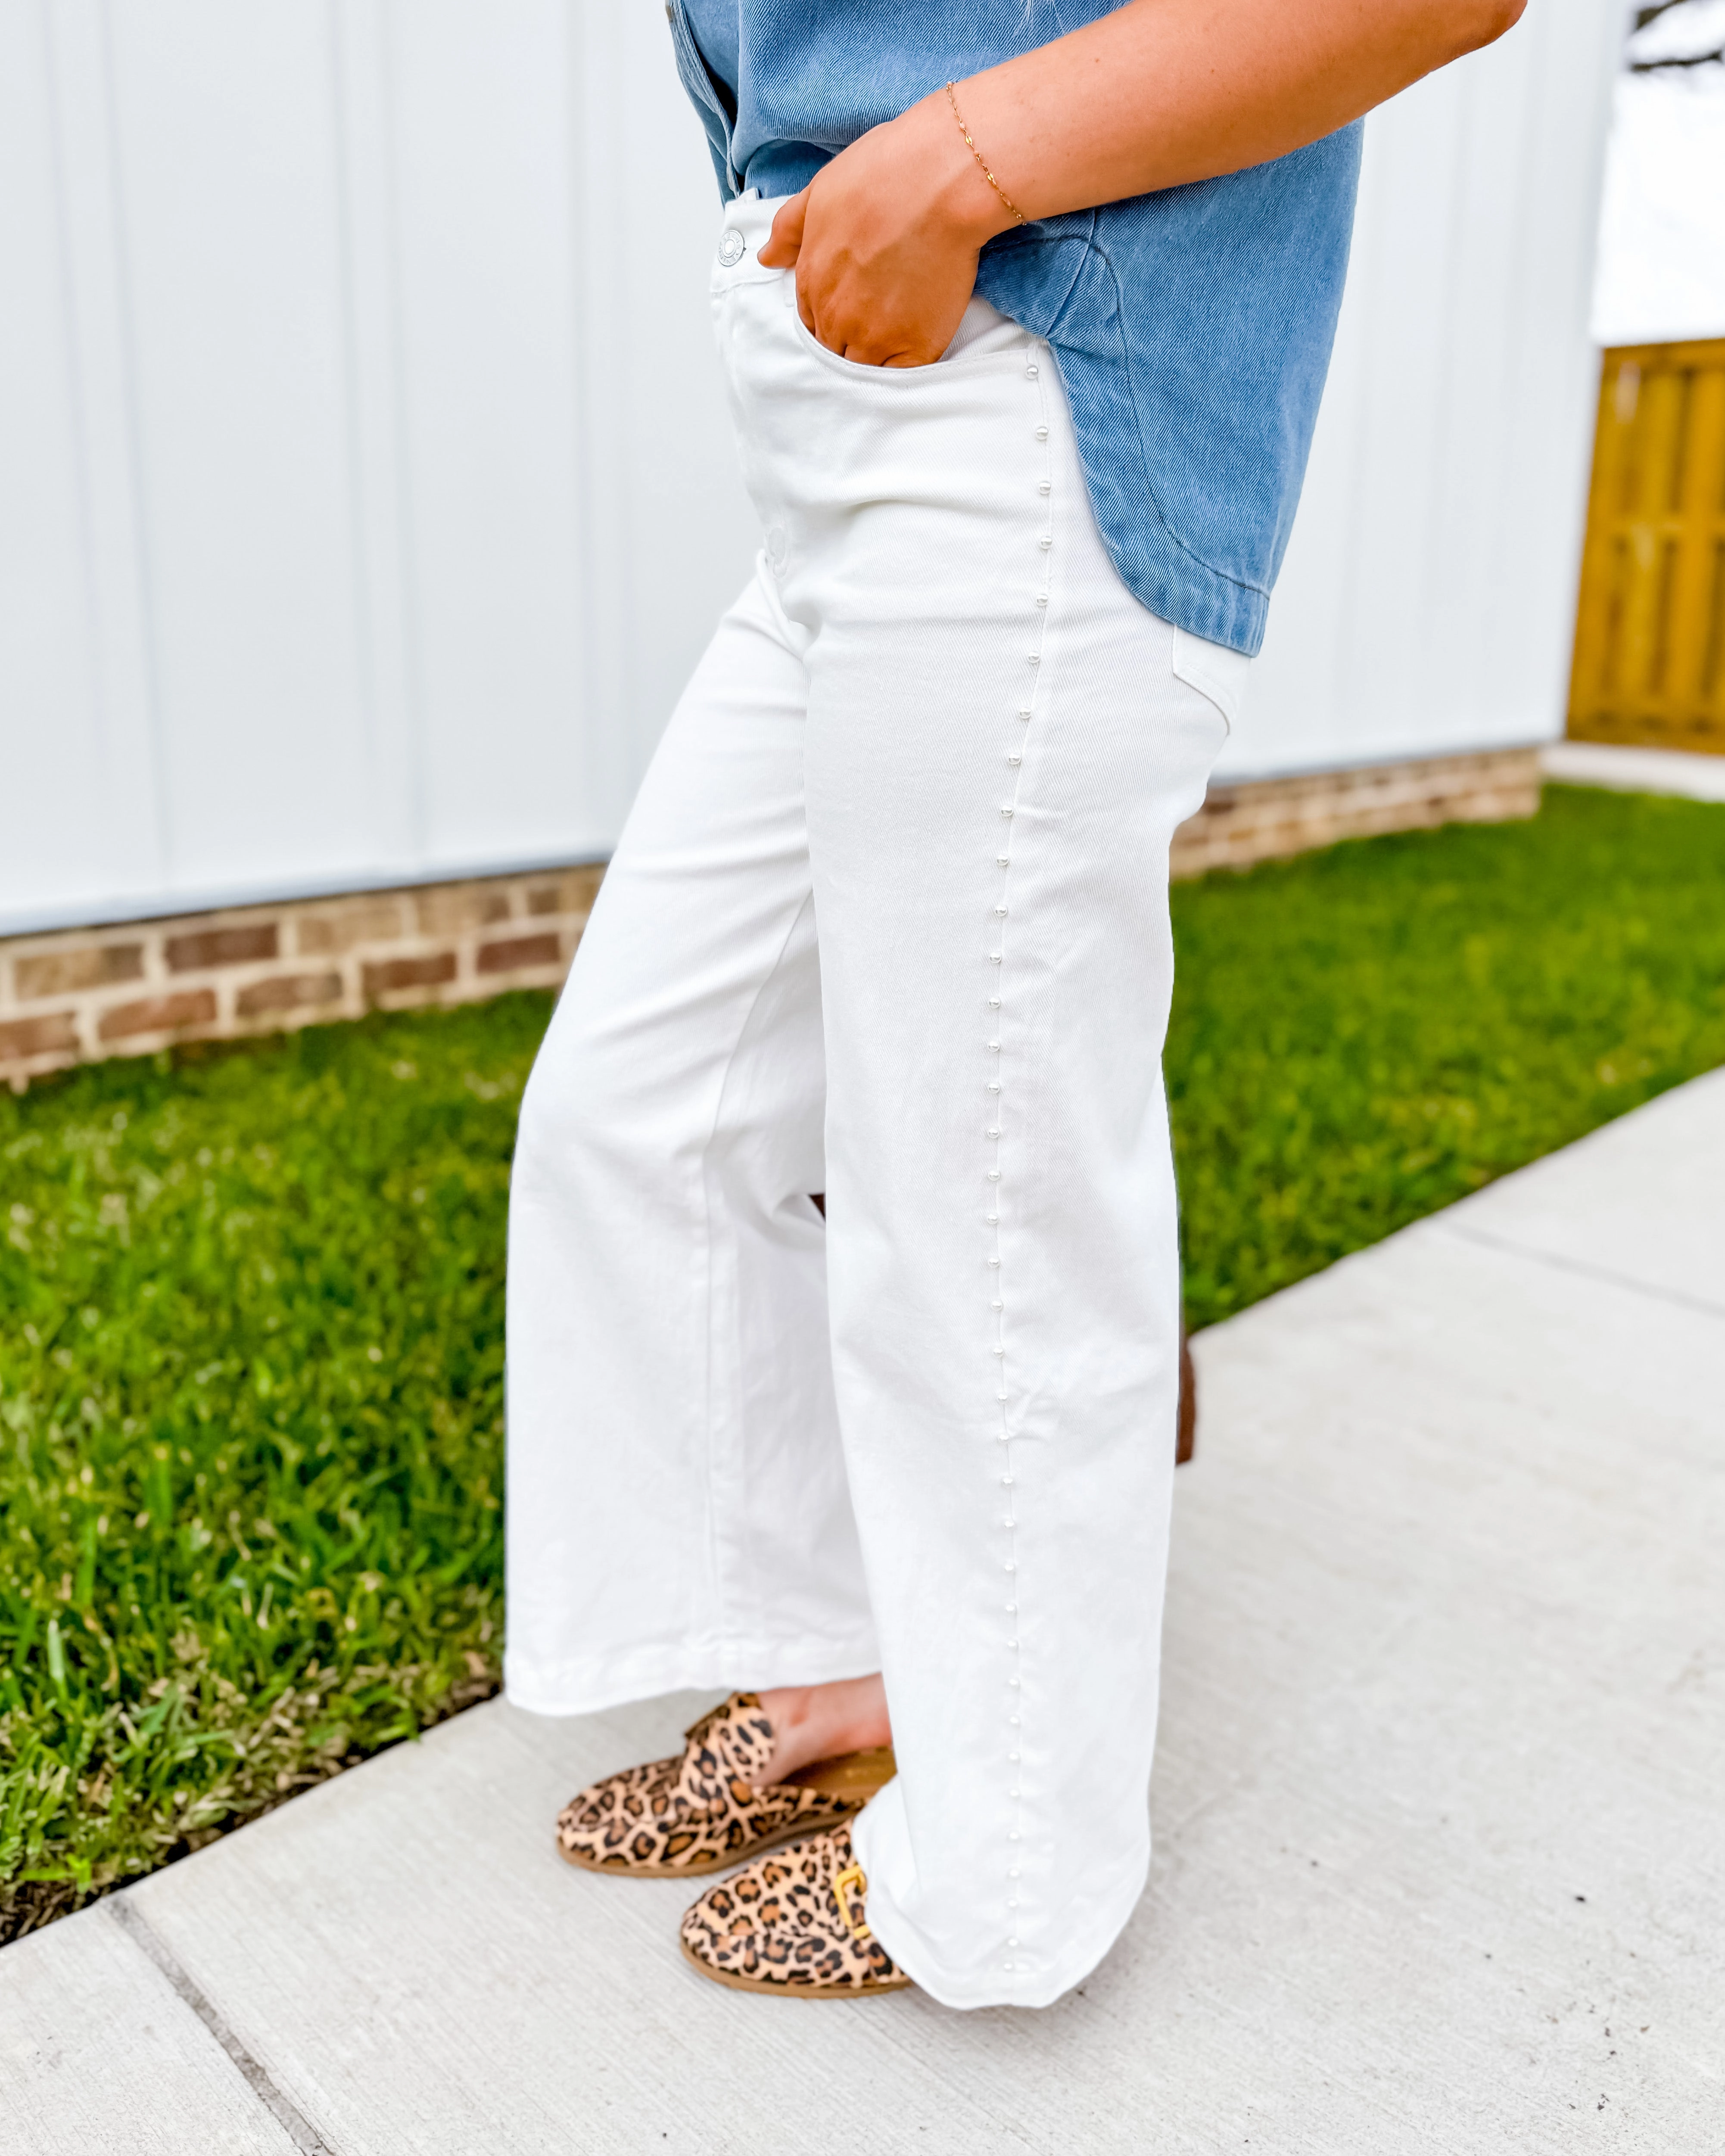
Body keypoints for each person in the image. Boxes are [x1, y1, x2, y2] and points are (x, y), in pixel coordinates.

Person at [505, 0, 1523, 2009]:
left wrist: (950, 168)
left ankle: (1005, 1867)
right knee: (644, 1103)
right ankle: (837, 1674)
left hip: (1040, 356)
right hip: (848, 399)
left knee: (969, 1191)